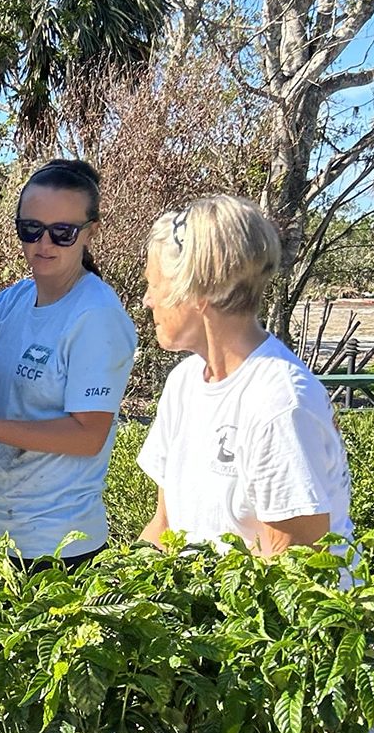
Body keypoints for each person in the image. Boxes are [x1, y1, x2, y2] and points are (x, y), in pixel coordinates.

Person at [0, 159, 138, 566]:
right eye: (31, 229)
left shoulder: (96, 317)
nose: (44, 243)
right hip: (0, 536)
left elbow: (87, 436)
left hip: (63, 549)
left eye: (63, 233)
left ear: (91, 232)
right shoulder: (15, 300)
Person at [137, 195, 351, 555]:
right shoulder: (184, 382)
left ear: (197, 291)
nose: (147, 300)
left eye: (154, 285)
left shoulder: (278, 401)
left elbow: (294, 569)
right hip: (205, 607)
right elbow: (164, 526)